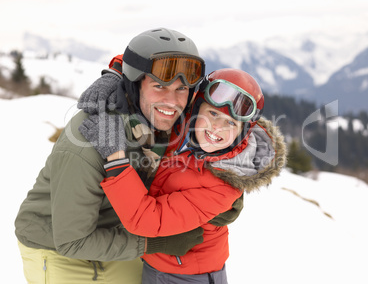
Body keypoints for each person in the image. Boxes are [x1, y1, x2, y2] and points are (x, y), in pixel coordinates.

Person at [14, 28, 242, 284]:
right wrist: (154, 242)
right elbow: (72, 242)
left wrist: (227, 189)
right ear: (135, 86)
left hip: (121, 232)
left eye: (181, 89)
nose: (172, 101)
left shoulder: (172, 119)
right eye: (159, 86)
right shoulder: (89, 142)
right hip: (59, 248)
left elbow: (239, 127)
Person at [81, 68, 287, 283]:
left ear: (243, 132)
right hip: (157, 264)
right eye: (213, 113)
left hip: (186, 276)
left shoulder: (222, 187)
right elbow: (148, 63)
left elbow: (146, 220)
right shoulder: (182, 125)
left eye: (231, 123)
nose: (216, 127)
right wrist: (113, 75)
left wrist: (115, 157)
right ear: (196, 108)